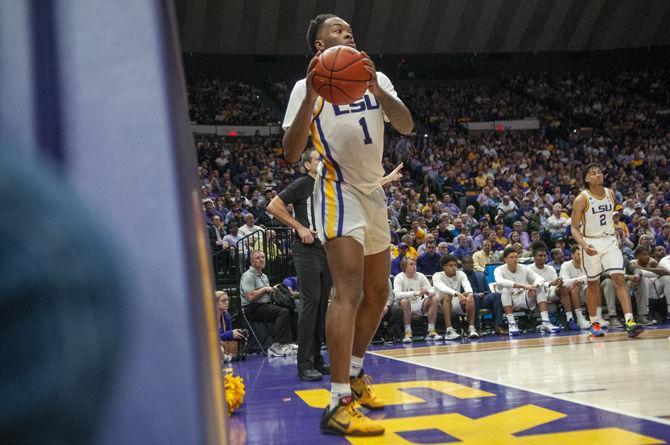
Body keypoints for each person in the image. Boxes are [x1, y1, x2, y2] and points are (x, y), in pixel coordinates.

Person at [282, 13, 413, 436]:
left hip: (373, 192)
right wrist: (310, 99)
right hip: (338, 191)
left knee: (379, 292)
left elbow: (407, 125)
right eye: (337, 31)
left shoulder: (377, 77)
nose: (348, 33)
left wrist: (377, 89)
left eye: (350, 30)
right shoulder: (306, 87)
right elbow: (290, 152)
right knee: (349, 291)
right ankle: (337, 403)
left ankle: (355, 375)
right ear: (320, 48)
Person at [267, 149, 332, 382]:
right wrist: (299, 227)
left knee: (322, 305)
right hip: (306, 249)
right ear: (306, 165)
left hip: (326, 249)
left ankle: (316, 359)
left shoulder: (328, 186)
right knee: (311, 301)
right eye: (317, 159)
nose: (322, 162)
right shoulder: (303, 183)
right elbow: (273, 206)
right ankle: (304, 363)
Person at [570, 163, 644, 338]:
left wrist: (616, 236)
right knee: (593, 283)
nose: (598, 175)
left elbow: (610, 219)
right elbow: (573, 228)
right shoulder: (582, 198)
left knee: (618, 278)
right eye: (593, 174)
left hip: (609, 240)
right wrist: (583, 244)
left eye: (600, 172)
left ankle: (630, 322)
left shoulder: (610, 193)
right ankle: (594, 323)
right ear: (587, 178)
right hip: (591, 242)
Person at [239, 250, 295, 357]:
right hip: (251, 308)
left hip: (264, 306)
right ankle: (278, 344)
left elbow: (265, 293)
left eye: (263, 257)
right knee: (282, 312)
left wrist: (273, 289)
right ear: (252, 262)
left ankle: (286, 344)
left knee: (290, 309)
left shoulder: (264, 276)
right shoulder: (248, 276)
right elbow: (250, 296)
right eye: (258, 258)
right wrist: (265, 289)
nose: (261, 260)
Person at [494, 246, 545, 336]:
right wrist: (523, 286)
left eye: (516, 257)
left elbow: (540, 278)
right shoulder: (499, 269)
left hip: (523, 298)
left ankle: (546, 321)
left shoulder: (524, 268)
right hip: (507, 301)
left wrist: (535, 286)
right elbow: (500, 281)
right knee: (505, 289)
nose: (515, 259)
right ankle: (512, 324)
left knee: (540, 287)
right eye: (511, 257)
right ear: (505, 259)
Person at [393, 257, 442, 343]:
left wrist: (427, 292)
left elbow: (433, 291)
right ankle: (408, 332)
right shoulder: (399, 277)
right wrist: (413, 293)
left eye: (415, 264)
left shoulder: (421, 276)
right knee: (404, 301)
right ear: (404, 267)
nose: (414, 266)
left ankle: (431, 330)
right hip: (404, 306)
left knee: (434, 298)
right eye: (411, 264)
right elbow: (397, 295)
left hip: (419, 304)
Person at [432, 254, 480, 340]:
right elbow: (443, 288)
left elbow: (467, 284)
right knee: (447, 295)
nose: (454, 268)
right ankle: (449, 331)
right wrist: (457, 293)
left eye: (455, 265)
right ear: (444, 267)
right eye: (451, 265)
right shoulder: (437, 275)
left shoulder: (460, 274)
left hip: (456, 303)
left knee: (471, 296)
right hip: (439, 306)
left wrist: (469, 294)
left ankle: (471, 328)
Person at [461, 256, 507, 335]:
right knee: (474, 297)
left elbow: (488, 292)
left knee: (496, 295)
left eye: (472, 263)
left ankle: (498, 326)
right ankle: (476, 328)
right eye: (468, 263)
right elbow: (459, 292)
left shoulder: (480, 275)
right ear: (463, 264)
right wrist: (473, 295)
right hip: (466, 301)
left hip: (481, 299)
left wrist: (483, 293)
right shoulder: (459, 276)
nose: (471, 265)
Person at [527, 245, 564, 333]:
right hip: (534, 296)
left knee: (563, 287)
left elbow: (555, 285)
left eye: (544, 256)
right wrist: (549, 283)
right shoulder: (528, 269)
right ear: (534, 257)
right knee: (539, 289)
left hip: (550, 294)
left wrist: (559, 283)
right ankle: (547, 322)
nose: (543, 257)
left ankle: (570, 318)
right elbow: (531, 287)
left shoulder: (551, 268)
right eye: (540, 256)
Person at [559, 245, 592, 330]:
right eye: (578, 254)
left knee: (594, 286)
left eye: (582, 254)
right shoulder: (565, 265)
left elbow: (592, 278)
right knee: (575, 287)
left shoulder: (587, 264)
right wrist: (581, 280)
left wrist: (581, 280)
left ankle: (596, 317)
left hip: (585, 292)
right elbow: (565, 282)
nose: (581, 256)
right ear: (572, 255)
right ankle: (580, 318)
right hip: (569, 294)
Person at [216, 291, 247, 362]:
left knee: (240, 335)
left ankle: (229, 356)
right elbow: (210, 339)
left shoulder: (226, 317)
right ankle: (225, 357)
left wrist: (237, 335)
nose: (227, 302)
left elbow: (228, 338)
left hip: (223, 346)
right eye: (223, 301)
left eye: (227, 300)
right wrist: (230, 334)